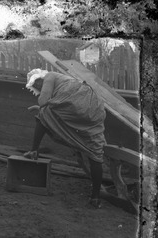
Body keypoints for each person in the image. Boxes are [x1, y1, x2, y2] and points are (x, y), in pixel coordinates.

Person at [23, 69, 106, 209]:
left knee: (43, 115)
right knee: (95, 152)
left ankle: (33, 150)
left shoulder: (50, 76)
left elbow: (43, 101)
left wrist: (41, 108)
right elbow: (52, 106)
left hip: (77, 101)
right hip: (95, 109)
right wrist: (43, 109)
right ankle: (95, 198)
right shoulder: (65, 81)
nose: (38, 86)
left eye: (37, 83)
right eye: (35, 85)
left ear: (40, 77)